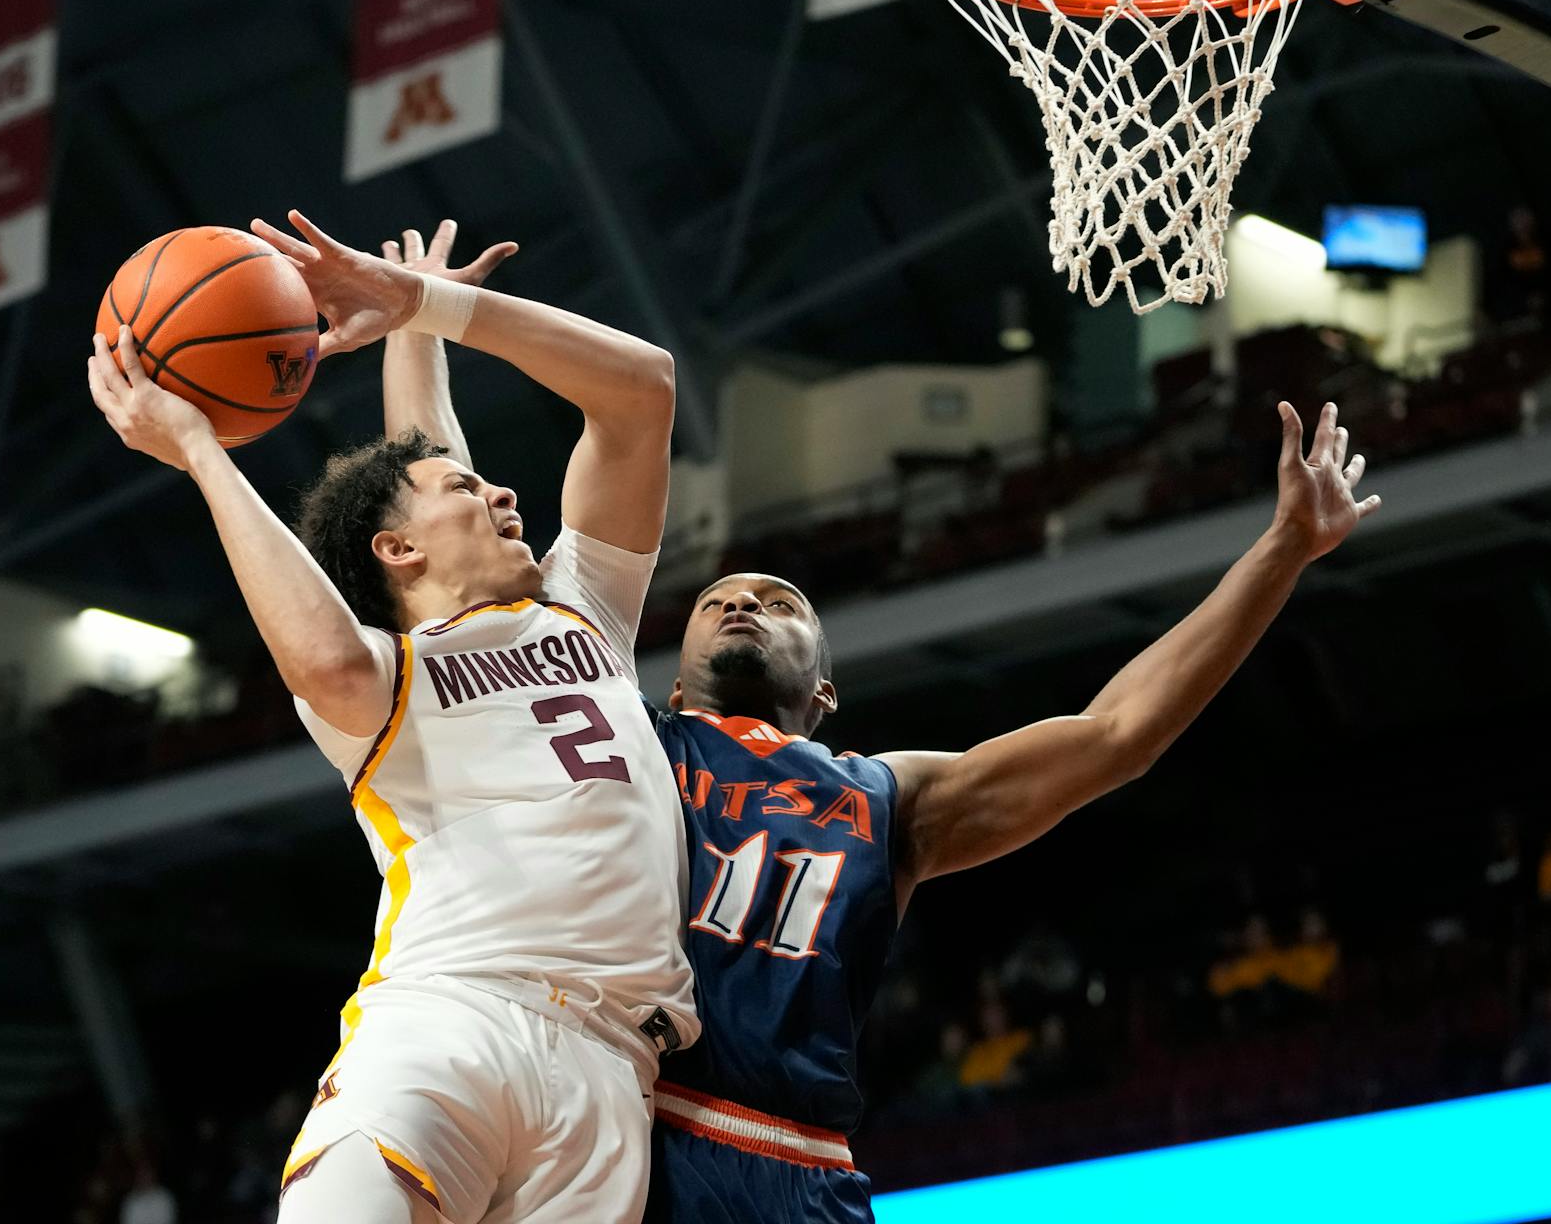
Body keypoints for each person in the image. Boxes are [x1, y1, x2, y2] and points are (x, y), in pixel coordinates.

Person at [381, 302, 1381, 1223]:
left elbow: (1119, 734)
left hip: (801, 1164)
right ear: (675, 684)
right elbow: (448, 532)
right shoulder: (625, 738)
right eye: (719, 598)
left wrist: (1284, 550)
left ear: (825, 694)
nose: (741, 605)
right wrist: (417, 320)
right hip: (628, 1136)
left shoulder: (888, 798)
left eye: (779, 603)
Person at [85, 213, 698, 1224]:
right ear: (396, 553)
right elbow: (321, 651)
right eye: (468, 488)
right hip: (451, 1018)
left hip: (612, 1067)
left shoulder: (581, 606)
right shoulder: (385, 680)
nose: (506, 490)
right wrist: (200, 449)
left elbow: (643, 390)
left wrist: (425, 312)